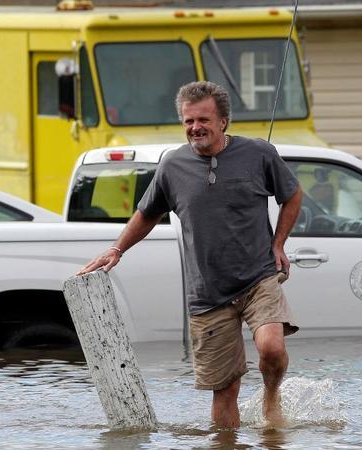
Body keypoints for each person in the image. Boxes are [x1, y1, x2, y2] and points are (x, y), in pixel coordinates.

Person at [77, 81, 303, 428]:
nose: (195, 127)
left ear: (223, 122)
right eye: (188, 121)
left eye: (203, 119)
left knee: (271, 348)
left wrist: (278, 244)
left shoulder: (259, 153)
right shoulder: (172, 165)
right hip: (208, 294)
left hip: (258, 277)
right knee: (224, 390)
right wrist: (117, 249)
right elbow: (147, 213)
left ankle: (272, 397)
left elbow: (293, 195)